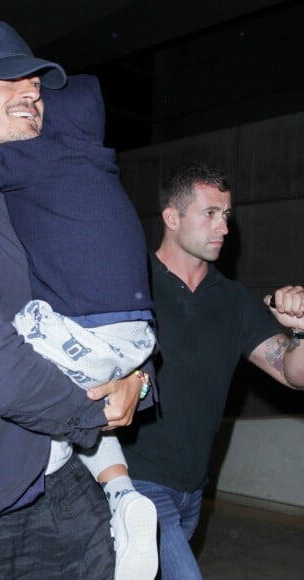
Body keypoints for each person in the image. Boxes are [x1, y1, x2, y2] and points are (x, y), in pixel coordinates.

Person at [0, 20, 155, 580]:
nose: (33, 91)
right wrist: (93, 413)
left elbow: (105, 307)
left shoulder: (39, 196)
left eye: (35, 80)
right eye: (8, 79)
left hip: (67, 482)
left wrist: (139, 381)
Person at [109, 162, 304, 579]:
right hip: (136, 481)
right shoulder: (129, 284)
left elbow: (292, 373)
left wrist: (303, 333)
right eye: (210, 214)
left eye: (226, 215)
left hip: (192, 491)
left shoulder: (232, 301)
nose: (224, 228)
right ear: (172, 218)